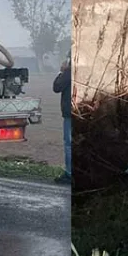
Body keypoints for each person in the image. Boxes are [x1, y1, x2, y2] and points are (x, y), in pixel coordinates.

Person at [51, 52, 71, 184]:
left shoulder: (69, 72)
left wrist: (61, 71)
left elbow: (57, 87)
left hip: (69, 113)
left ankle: (69, 174)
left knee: (69, 144)